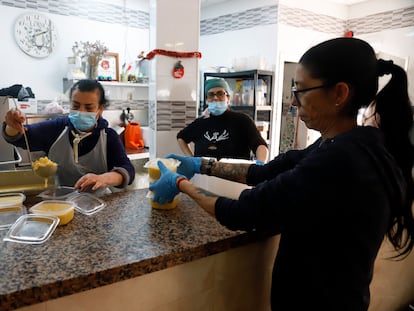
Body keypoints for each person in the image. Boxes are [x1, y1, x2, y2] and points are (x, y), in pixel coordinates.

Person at [149, 37, 414, 310]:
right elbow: (267, 171)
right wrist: (202, 165)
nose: (294, 101)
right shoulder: (349, 143)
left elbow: (242, 212)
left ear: (339, 93)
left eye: (300, 90)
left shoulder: (341, 159)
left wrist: (181, 183)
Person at [2, 79, 135, 194]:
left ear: (100, 109)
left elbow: (128, 170)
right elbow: (22, 135)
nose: (81, 112)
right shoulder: (56, 128)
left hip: (98, 203)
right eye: (76, 106)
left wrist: (103, 178)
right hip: (62, 200)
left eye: (89, 108)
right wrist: (12, 125)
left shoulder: (108, 136)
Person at [176, 78, 269, 163]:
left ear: (228, 98)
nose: (215, 98)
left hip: (234, 178)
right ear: (207, 100)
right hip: (204, 177)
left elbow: (260, 145)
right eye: (211, 95)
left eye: (220, 93)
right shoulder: (201, 123)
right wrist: (191, 159)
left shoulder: (242, 121)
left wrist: (260, 164)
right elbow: (181, 137)